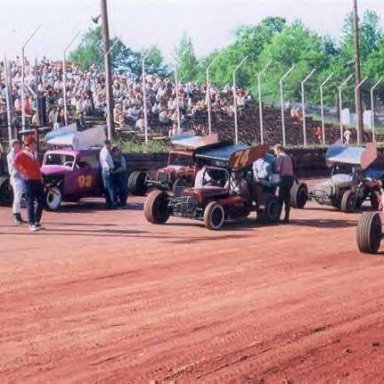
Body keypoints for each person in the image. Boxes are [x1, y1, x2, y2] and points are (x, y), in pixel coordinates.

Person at [13, 135, 45, 232]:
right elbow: (14, 163)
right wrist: (22, 174)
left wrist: (41, 177)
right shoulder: (21, 153)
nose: (35, 144)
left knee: (41, 201)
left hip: (38, 180)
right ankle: (31, 224)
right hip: (28, 181)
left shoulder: (34, 153)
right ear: (29, 144)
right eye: (34, 143)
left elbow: (37, 167)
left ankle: (37, 221)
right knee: (30, 202)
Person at [274, 144, 294, 223]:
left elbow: (278, 169)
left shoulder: (280, 157)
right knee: (287, 198)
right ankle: (286, 217)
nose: (275, 152)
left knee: (281, 198)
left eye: (275, 150)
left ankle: (277, 217)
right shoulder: (287, 156)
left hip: (284, 178)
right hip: (290, 178)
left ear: (279, 149)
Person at [7, 139, 25, 224]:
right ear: (13, 145)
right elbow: (15, 165)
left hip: (19, 177)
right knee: (17, 196)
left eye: (18, 143)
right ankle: (16, 215)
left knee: (19, 196)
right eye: (16, 144)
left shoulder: (18, 153)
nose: (18, 145)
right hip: (15, 177)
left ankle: (18, 215)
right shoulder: (12, 154)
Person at [99, 139, 117, 208]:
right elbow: (106, 161)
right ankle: (113, 203)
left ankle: (109, 203)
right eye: (110, 144)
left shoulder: (103, 151)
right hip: (108, 170)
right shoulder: (105, 152)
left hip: (105, 170)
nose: (110, 146)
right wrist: (110, 168)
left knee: (107, 187)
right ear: (107, 144)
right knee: (111, 187)